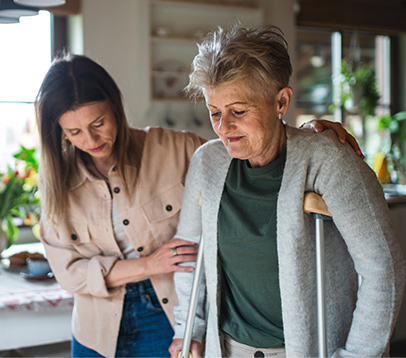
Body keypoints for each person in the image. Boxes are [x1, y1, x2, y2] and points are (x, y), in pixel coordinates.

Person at [36, 54, 362, 358]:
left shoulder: (178, 149)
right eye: (74, 132)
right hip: (96, 329)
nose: (90, 140)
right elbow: (68, 272)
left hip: (168, 317)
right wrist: (150, 264)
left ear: (116, 108)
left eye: (98, 123)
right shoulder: (56, 183)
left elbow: (242, 143)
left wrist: (303, 136)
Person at [169, 24, 406, 358]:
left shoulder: (329, 160)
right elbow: (189, 257)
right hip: (224, 349)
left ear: (281, 101)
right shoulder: (207, 162)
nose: (223, 127)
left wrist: (358, 355)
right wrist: (188, 330)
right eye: (214, 112)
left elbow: (383, 268)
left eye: (238, 111)